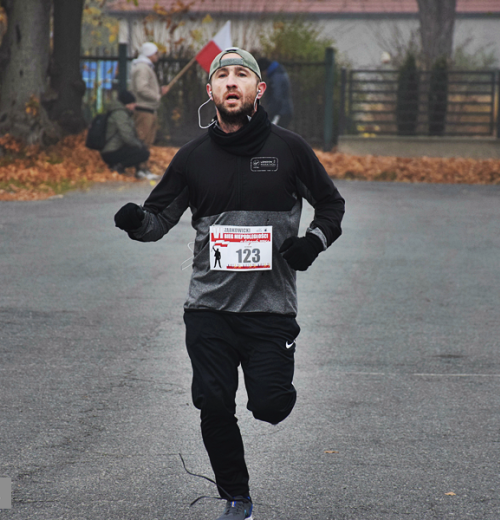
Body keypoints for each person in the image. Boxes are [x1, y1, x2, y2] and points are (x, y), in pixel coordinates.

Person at [114, 47, 344, 520]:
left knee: (271, 407)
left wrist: (313, 242)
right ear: (211, 91)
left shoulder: (289, 149)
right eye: (223, 76)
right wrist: (136, 221)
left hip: (269, 309)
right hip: (209, 309)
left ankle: (275, 385)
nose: (232, 82)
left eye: (242, 75)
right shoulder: (193, 157)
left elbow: (331, 205)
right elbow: (159, 218)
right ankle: (237, 498)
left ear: (258, 90)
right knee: (214, 403)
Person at [131, 42, 170, 180]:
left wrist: (158, 91)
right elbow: (141, 88)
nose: (157, 55)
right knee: (142, 139)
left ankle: (144, 168)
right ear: (148, 54)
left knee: (147, 140)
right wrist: (156, 96)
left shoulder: (145, 67)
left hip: (149, 108)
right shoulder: (143, 68)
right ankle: (139, 168)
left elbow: (144, 87)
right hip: (144, 109)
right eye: (155, 53)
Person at [100, 90, 150, 176]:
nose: (135, 105)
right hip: (111, 151)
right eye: (133, 103)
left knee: (138, 149)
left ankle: (139, 170)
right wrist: (139, 145)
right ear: (128, 104)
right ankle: (118, 166)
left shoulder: (120, 112)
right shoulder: (120, 114)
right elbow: (127, 136)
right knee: (143, 153)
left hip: (112, 148)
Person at [257, 58, 294, 129]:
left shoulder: (276, 77)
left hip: (280, 113)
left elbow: (277, 96)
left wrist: (271, 112)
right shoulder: (279, 73)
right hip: (283, 111)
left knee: (273, 133)